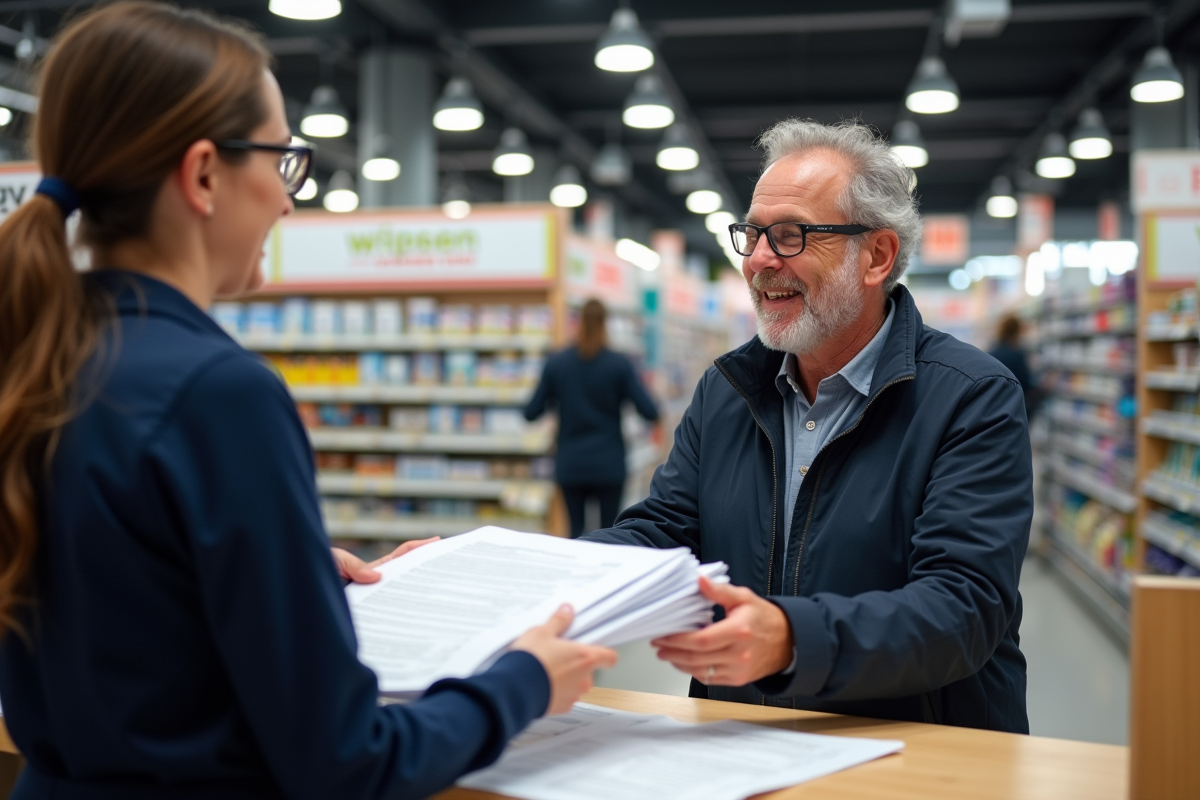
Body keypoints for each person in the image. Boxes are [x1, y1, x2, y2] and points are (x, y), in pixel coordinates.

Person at [0, 4, 615, 799]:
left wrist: (271, 574)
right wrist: (523, 681)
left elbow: (108, 602)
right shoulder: (219, 393)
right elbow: (347, 759)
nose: (290, 202)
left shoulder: (41, 357)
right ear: (203, 176)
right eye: (283, 161)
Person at [585, 119, 1032, 733]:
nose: (761, 261)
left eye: (791, 236)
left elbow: (964, 607)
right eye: (752, 235)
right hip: (742, 743)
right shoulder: (728, 390)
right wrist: (505, 568)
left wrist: (792, 641)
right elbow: (664, 532)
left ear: (876, 256)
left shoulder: (970, 398)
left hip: (914, 752)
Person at [525, 298, 660, 537]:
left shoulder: (557, 362)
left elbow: (531, 412)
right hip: (609, 463)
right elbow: (650, 411)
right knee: (610, 532)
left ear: (577, 323)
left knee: (575, 531)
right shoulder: (619, 364)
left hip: (571, 463)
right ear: (605, 323)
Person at [988, 313, 1039, 417]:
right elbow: (1026, 383)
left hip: (993, 406)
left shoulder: (991, 353)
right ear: (1017, 331)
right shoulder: (1017, 355)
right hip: (1014, 407)